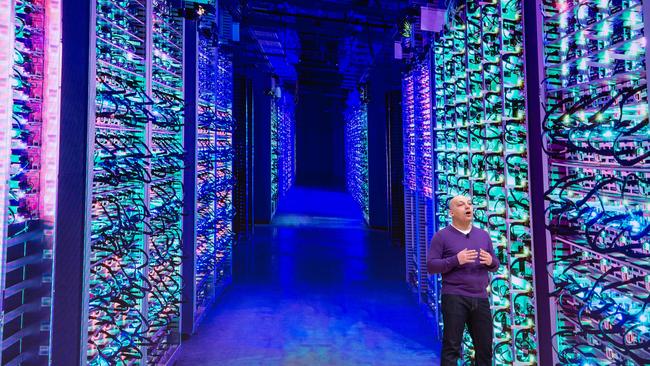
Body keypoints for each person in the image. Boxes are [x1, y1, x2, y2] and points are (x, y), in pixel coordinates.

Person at [427, 195, 500, 366]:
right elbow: (431, 266)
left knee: (485, 348)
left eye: (469, 204)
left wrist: (491, 262)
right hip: (454, 297)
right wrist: (455, 260)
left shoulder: (483, 235)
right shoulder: (442, 236)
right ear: (451, 212)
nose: (467, 207)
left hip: (481, 298)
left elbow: (495, 264)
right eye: (461, 204)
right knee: (452, 347)